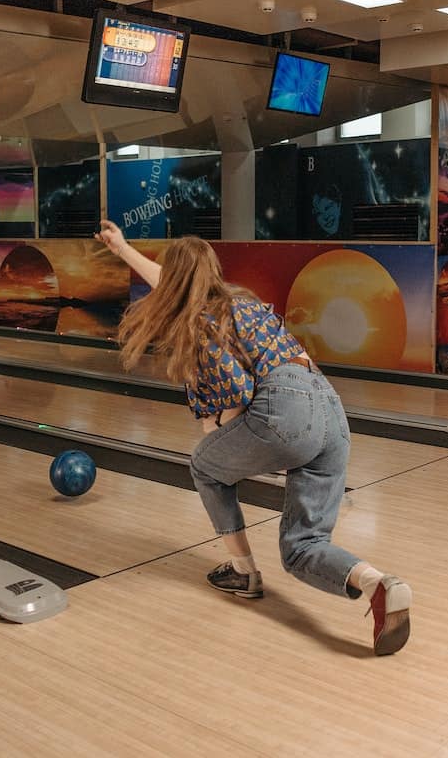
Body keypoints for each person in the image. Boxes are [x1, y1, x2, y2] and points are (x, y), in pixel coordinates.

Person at [94, 220, 412, 656]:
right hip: (330, 409)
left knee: (204, 466)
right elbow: (174, 285)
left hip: (284, 410)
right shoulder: (240, 303)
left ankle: (243, 571)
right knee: (302, 547)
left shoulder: (200, 329)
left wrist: (219, 434)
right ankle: (379, 584)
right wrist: (122, 248)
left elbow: (239, 398)